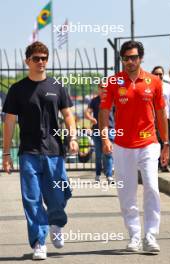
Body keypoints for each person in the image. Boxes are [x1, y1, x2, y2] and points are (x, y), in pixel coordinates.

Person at [2, 41, 78, 260]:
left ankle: (56, 224)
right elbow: (9, 122)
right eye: (36, 58)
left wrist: (72, 136)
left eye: (44, 58)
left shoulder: (57, 86)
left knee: (58, 196)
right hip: (29, 153)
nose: (41, 62)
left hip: (55, 152)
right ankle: (38, 241)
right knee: (32, 199)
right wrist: (6, 154)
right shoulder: (17, 89)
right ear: (28, 61)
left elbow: (69, 116)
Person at [99, 40, 169, 253]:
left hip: (149, 143)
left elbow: (160, 114)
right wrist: (104, 138)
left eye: (134, 57)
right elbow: (104, 111)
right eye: (126, 58)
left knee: (151, 187)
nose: (130, 61)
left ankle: (150, 236)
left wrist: (165, 143)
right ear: (122, 59)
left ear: (141, 58)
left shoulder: (154, 82)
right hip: (122, 145)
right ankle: (135, 236)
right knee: (126, 192)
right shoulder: (113, 82)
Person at [85, 85, 114, 183]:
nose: (104, 89)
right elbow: (87, 113)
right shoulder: (94, 101)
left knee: (108, 153)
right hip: (97, 130)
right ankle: (98, 174)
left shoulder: (112, 99)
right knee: (98, 153)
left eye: (106, 87)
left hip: (110, 129)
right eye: (102, 87)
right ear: (98, 88)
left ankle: (109, 175)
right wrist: (91, 118)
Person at [152, 66, 170, 172]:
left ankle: (164, 164)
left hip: (166, 118)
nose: (158, 76)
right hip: (152, 119)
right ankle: (156, 164)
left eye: (160, 74)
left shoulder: (168, 87)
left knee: (166, 142)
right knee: (155, 142)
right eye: (156, 74)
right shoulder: (149, 86)